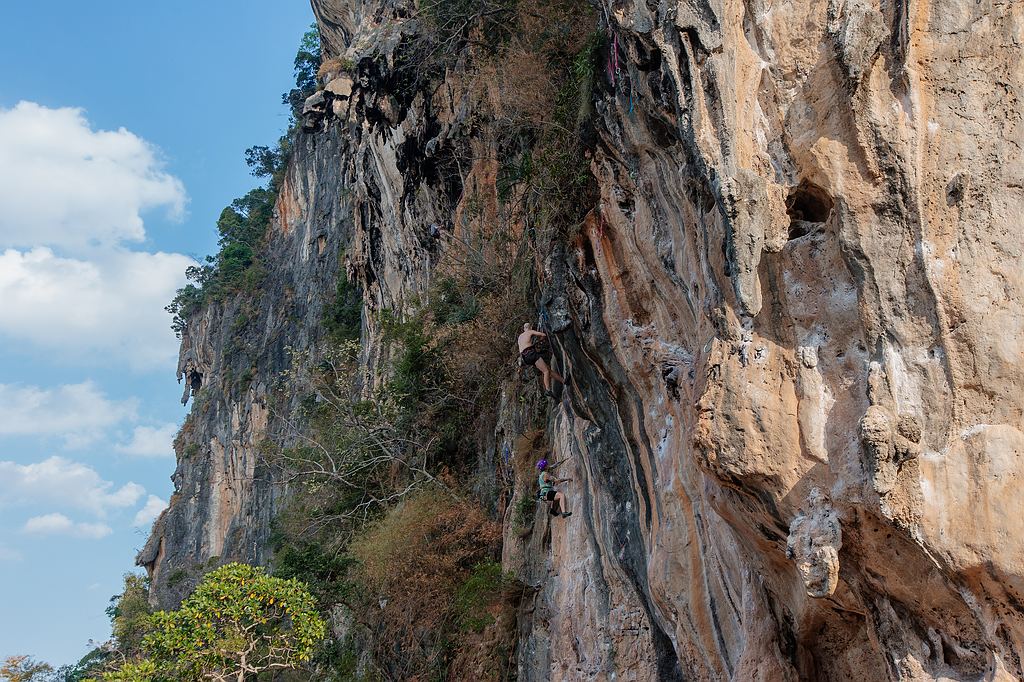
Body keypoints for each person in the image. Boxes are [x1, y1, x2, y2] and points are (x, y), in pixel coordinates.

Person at [518, 322, 564, 397]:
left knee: (548, 370)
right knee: (546, 371)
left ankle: (564, 381)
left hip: (524, 358)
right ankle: (548, 390)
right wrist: (540, 341)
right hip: (531, 354)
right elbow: (543, 335)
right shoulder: (530, 331)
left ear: (524, 329)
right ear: (530, 327)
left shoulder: (520, 337)